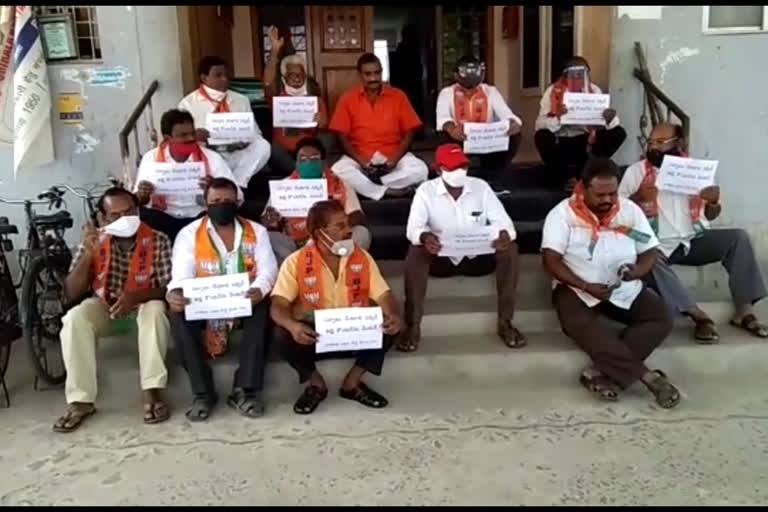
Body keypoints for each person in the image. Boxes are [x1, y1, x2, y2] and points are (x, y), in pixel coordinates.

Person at [541, 157, 681, 409]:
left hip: (624, 286)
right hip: (577, 289)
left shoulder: (629, 211)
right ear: (583, 189)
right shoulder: (562, 214)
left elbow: (649, 249)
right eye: (600, 194)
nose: (608, 200)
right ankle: (648, 377)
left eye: (613, 194)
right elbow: (551, 260)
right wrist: (585, 286)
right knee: (580, 324)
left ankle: (598, 373)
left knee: (661, 317)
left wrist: (638, 271)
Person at [619, 122, 768, 343]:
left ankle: (744, 311)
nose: (653, 147)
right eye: (651, 142)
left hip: (692, 240)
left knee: (738, 238)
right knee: (650, 257)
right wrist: (638, 199)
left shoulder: (695, 172)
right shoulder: (636, 172)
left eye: (660, 142)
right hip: (655, 244)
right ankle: (698, 316)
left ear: (678, 143)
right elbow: (616, 214)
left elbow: (710, 214)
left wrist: (713, 202)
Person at [53, 188, 173, 433]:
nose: (124, 219)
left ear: (138, 210)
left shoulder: (158, 239)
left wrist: (136, 297)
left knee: (155, 309)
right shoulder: (95, 239)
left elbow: (168, 288)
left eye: (129, 212)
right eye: (115, 215)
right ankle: (80, 401)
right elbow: (71, 293)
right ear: (103, 218)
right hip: (106, 308)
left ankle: (152, 391)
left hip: (142, 308)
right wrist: (88, 254)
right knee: (75, 317)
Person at [270, 199, 402, 415]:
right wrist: (293, 326)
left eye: (347, 223)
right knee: (280, 332)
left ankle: (352, 384)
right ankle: (315, 384)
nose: (349, 230)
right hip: (314, 338)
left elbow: (383, 294)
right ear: (319, 233)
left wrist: (393, 314)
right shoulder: (295, 261)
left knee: (392, 323)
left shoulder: (361, 257)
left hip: (353, 335)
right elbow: (278, 305)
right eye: (339, 226)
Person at [167, 177, 278, 422]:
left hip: (244, 300)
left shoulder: (256, 231)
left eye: (228, 200)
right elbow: (181, 276)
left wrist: (259, 290)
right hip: (205, 304)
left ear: (238, 202)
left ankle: (246, 390)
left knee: (265, 307)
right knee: (177, 312)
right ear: (206, 203)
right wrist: (177, 293)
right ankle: (203, 392)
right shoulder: (189, 234)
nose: (222, 204)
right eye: (216, 201)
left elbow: (268, 271)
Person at [400, 143, 525, 351]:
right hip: (441, 260)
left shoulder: (480, 187)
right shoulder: (425, 191)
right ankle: (412, 325)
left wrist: (504, 235)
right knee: (415, 252)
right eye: (451, 168)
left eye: (462, 167)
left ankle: (505, 322)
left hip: (478, 259)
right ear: (438, 170)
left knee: (510, 249)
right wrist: (425, 237)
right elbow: (413, 228)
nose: (459, 172)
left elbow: (505, 223)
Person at [329, 53, 429, 200]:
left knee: (420, 170)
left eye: (377, 73)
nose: (373, 78)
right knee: (338, 171)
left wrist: (394, 160)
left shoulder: (398, 96)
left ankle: (372, 185)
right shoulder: (347, 98)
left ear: (382, 72)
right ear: (359, 75)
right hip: (360, 156)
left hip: (393, 154)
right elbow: (341, 136)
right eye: (368, 74)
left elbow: (410, 131)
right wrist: (361, 161)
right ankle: (385, 191)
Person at [134, 109, 242, 242]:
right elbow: (138, 200)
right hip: (163, 216)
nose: (191, 138)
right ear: (168, 138)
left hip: (201, 215)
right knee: (143, 216)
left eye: (192, 133)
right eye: (183, 135)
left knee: (223, 213)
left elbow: (238, 197)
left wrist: (215, 188)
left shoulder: (212, 158)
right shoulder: (151, 158)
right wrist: (143, 195)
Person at [261, 137, 371, 264]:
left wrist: (335, 225)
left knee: (361, 233)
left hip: (332, 243)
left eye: (314, 159)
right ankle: (297, 267)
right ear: (296, 164)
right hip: (294, 245)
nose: (308, 163)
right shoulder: (283, 187)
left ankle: (338, 268)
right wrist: (271, 222)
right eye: (303, 159)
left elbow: (357, 215)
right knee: (269, 238)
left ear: (323, 163)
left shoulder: (340, 184)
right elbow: (266, 220)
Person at [178, 56, 271, 190]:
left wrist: (245, 140)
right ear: (204, 78)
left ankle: (236, 184)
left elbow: (256, 133)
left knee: (263, 145)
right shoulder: (188, 104)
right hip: (210, 155)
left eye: (226, 75)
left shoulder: (241, 100)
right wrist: (194, 136)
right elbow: (179, 140)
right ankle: (229, 188)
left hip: (237, 154)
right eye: (218, 75)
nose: (224, 79)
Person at [534, 57, 626, 190]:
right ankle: (565, 178)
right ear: (565, 75)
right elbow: (539, 125)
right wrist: (558, 117)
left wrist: (610, 119)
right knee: (541, 136)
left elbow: (607, 122)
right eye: (575, 73)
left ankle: (590, 173)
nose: (580, 77)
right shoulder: (552, 92)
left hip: (585, 141)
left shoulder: (594, 90)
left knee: (618, 132)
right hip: (561, 141)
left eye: (584, 73)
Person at [436, 55, 523, 181]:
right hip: (460, 138)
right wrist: (452, 129)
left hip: (486, 139)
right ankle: (455, 176)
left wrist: (513, 123)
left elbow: (506, 114)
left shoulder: (490, 91)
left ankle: (495, 177)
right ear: (456, 76)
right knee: (443, 135)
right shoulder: (447, 93)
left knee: (515, 135)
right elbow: (442, 118)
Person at [263, 26, 331, 176]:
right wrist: (274, 51)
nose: (296, 78)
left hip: (309, 151)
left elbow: (325, 127)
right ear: (284, 77)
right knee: (272, 147)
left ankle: (306, 170)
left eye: (300, 75)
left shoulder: (315, 99)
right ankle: (302, 172)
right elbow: (267, 81)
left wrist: (321, 122)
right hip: (284, 152)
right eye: (291, 74)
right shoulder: (277, 96)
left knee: (327, 138)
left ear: (305, 76)